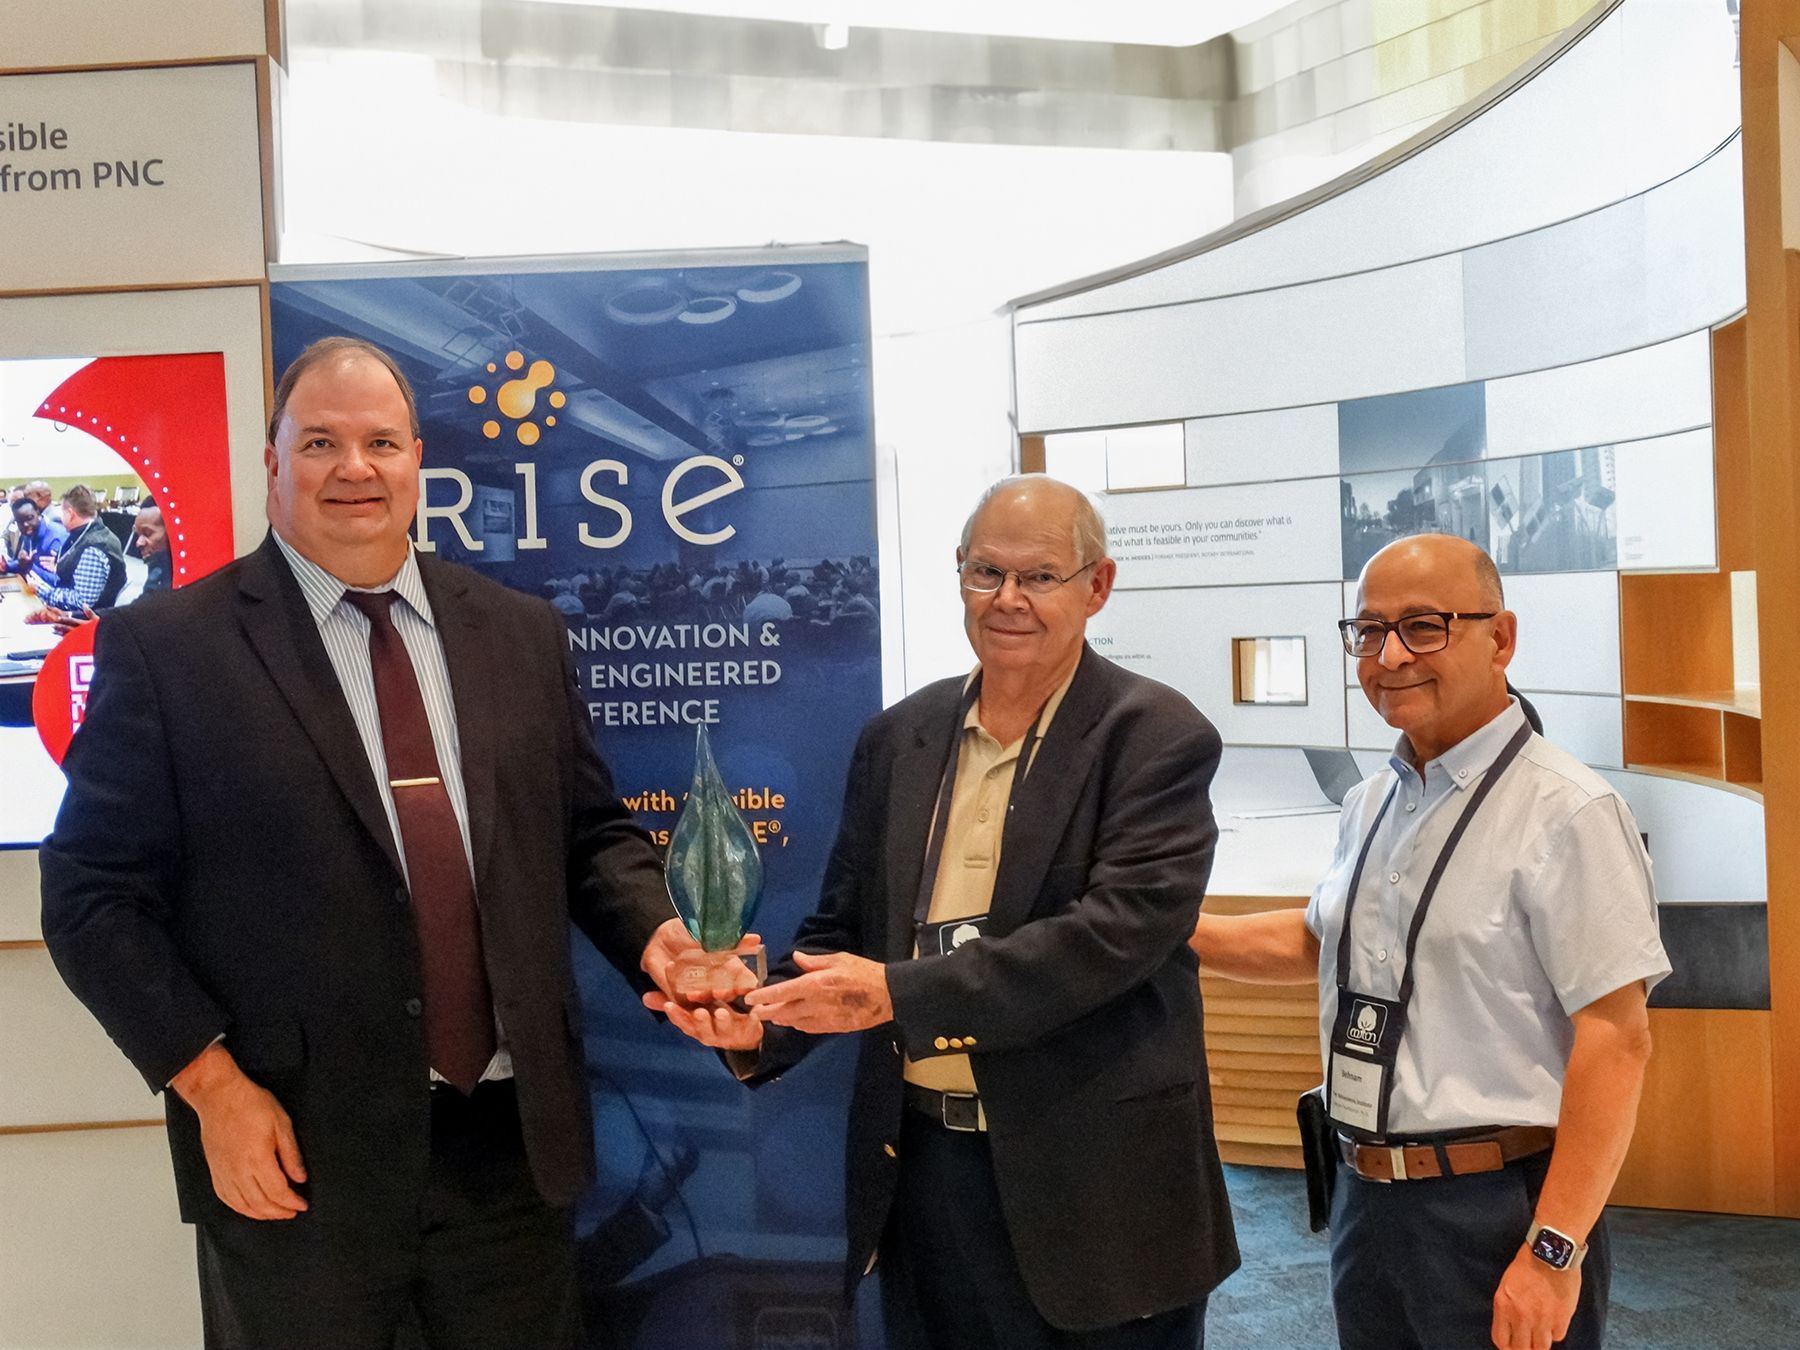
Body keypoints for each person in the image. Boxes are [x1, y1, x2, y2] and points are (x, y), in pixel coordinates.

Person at [39, 336, 709, 1350]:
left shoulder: (520, 635)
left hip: (510, 1155)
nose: (354, 468)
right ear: (271, 464)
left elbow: (586, 837)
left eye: (380, 442)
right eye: (320, 442)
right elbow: (91, 896)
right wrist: (210, 1087)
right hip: (294, 1157)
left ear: (416, 462)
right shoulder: (174, 651)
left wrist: (659, 935)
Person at [661, 475, 1240, 1348]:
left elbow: (1115, 935)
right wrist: (759, 1022)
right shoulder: (899, 736)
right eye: (985, 573)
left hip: (1096, 1184)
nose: (1008, 599)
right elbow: (839, 936)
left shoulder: (1155, 736)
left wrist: (899, 993)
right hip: (924, 1174)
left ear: (1098, 585)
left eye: (1040, 576)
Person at [1190, 534, 1669, 1350]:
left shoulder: (1569, 811)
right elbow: (1318, 944)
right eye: (1369, 632)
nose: (1389, 656)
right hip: (1366, 1202)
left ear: (1502, 638)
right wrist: (1158, 928)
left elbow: (1616, 1039)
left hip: (1496, 1211)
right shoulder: (1373, 800)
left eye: (1424, 626)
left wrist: (1554, 1251)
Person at [36, 483, 126, 612]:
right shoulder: (98, 532)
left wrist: (41, 589)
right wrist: (59, 566)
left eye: (62, 513)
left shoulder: (93, 548)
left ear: (70, 513)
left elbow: (82, 602)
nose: (61, 518)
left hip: (83, 622)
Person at [1, 494, 66, 589]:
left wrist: (29, 567)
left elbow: (59, 581)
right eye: (20, 521)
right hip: (34, 591)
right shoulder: (29, 533)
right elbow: (25, 564)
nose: (26, 524)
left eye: (29, 518)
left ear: (38, 513)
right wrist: (6, 566)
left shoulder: (56, 538)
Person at [132, 503, 172, 593]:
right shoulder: (157, 563)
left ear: (169, 532)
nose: (138, 543)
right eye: (137, 535)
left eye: (147, 533)